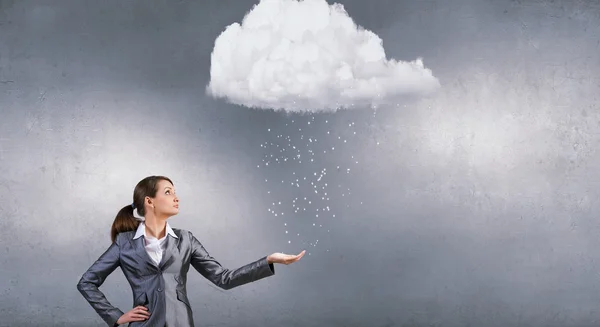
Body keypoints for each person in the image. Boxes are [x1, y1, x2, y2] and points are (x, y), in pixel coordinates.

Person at [77, 175, 305, 326]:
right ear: (150, 201)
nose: (176, 197)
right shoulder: (124, 243)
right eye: (168, 192)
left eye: (174, 192)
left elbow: (223, 278)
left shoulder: (186, 239)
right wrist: (116, 317)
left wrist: (268, 261)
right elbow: (87, 282)